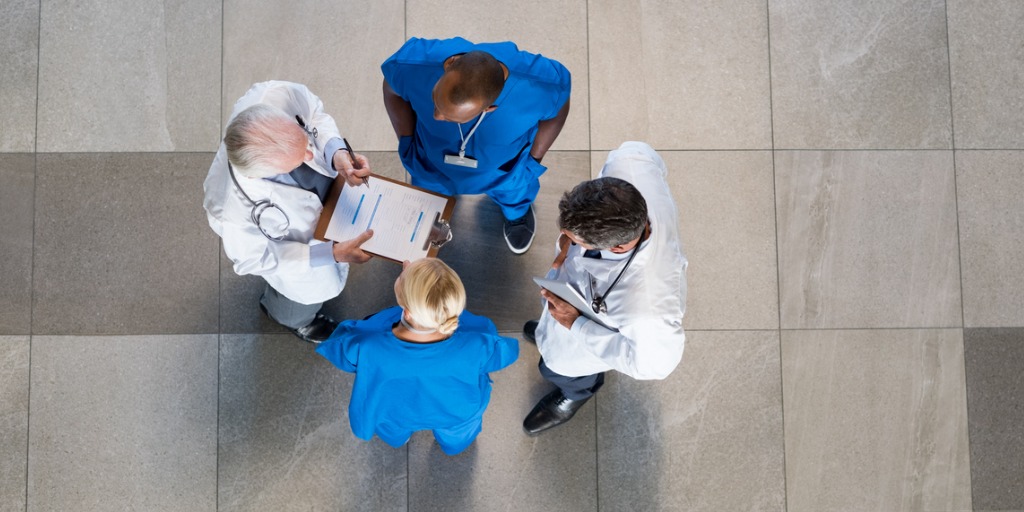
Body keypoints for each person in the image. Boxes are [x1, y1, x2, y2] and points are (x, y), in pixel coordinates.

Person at [522, 141, 688, 436]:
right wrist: (566, 248)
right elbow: (645, 153)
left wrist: (577, 324)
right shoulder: (630, 165)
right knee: (550, 332)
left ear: (619, 246)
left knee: (558, 368)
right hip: (574, 290)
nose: (566, 239)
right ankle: (549, 332)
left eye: (577, 240)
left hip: (586, 337)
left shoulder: (648, 308)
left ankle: (574, 394)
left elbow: (654, 366)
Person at [203, 80, 374, 343]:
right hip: (302, 258)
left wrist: (335, 152)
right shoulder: (229, 210)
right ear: (262, 174)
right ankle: (291, 318)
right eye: (298, 159)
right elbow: (256, 259)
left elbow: (313, 113)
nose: (310, 155)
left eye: (305, 143)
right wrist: (330, 253)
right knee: (300, 302)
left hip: (325, 202)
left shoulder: (271, 95)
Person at [381, 37, 572, 255]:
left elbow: (559, 108)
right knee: (430, 193)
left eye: (451, 117)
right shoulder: (411, 65)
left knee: (515, 194)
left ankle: (516, 215)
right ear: (450, 63)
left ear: (489, 108)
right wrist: (406, 138)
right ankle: (433, 209)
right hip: (431, 160)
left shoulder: (542, 85)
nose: (436, 115)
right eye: (436, 99)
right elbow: (391, 89)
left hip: (505, 169)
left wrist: (534, 159)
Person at [316, 258, 519, 455]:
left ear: (408, 312)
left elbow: (339, 351)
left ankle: (399, 440)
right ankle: (451, 447)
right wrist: (412, 280)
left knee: (392, 429)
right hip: (456, 409)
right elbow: (505, 355)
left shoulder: (367, 341)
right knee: (457, 435)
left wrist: (410, 276)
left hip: (394, 409)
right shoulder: (478, 337)